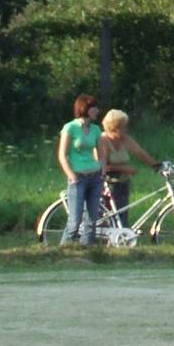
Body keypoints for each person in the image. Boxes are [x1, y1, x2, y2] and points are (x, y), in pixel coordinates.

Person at [56, 94, 107, 246]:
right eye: (94, 108)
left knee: (92, 220)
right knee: (75, 220)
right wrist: (71, 175)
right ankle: (64, 249)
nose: (97, 111)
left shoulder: (96, 129)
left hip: (95, 177)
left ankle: (87, 250)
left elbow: (101, 153)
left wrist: (102, 170)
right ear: (85, 109)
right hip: (78, 178)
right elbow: (62, 155)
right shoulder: (70, 128)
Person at [101, 109, 161, 226]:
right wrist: (125, 169)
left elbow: (140, 153)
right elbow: (101, 166)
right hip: (108, 184)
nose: (126, 129)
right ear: (115, 127)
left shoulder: (125, 139)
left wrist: (157, 165)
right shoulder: (103, 140)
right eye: (124, 126)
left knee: (123, 216)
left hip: (123, 182)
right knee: (112, 218)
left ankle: (123, 233)